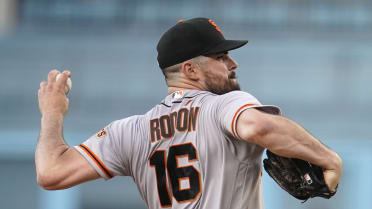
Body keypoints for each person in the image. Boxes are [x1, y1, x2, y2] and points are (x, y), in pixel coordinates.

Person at [36, 17, 342, 209]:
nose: (232, 65)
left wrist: (52, 113)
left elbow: (51, 172)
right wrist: (329, 158)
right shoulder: (223, 105)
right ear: (190, 69)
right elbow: (259, 128)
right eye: (221, 57)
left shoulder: (128, 131)